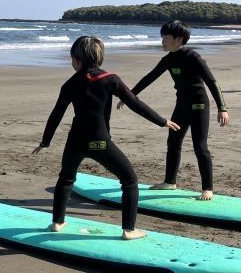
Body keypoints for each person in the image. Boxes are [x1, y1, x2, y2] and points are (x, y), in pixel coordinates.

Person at [33, 36, 179, 240]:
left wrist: (45, 142)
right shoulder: (111, 79)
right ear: (99, 57)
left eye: (72, 58)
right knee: (129, 180)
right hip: (100, 142)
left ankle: (57, 222)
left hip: (75, 141)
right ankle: (129, 229)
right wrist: (162, 121)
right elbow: (135, 103)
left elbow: (56, 114)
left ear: (77, 59)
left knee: (66, 179)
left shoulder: (70, 83)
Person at [118, 20, 229, 201]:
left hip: (199, 106)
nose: (162, 41)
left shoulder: (193, 57)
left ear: (179, 39)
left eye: (165, 38)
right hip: (181, 106)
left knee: (200, 146)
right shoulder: (169, 59)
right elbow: (149, 78)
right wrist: (129, 96)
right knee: (173, 142)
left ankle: (208, 188)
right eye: (161, 37)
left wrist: (222, 108)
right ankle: (170, 181)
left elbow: (212, 82)